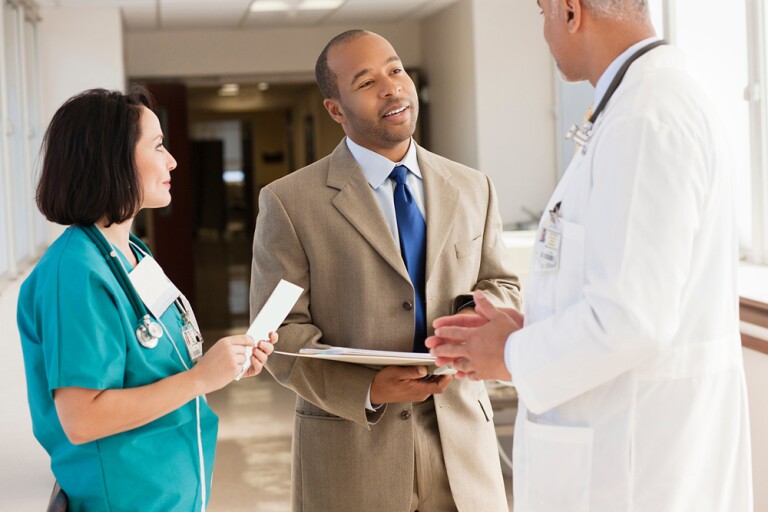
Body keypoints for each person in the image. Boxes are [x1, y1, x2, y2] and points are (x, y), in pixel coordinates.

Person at [427, 1, 753, 510]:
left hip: (634, 467)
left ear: (570, 10)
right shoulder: (637, 105)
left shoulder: (646, 118)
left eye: (542, 13)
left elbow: (632, 319)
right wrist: (528, 328)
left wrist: (510, 354)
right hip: (630, 445)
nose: (545, 30)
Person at [249, 30, 520, 512]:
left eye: (396, 70)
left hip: (462, 451)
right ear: (336, 109)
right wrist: (369, 388)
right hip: (351, 455)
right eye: (367, 81)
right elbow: (278, 334)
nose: (392, 88)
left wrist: (466, 327)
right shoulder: (290, 202)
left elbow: (502, 284)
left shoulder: (472, 186)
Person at [17, 88, 278, 512]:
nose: (172, 160)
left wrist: (221, 367)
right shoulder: (75, 273)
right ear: (113, 160)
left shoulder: (131, 253)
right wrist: (199, 380)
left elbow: (156, 366)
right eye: (158, 146)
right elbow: (83, 418)